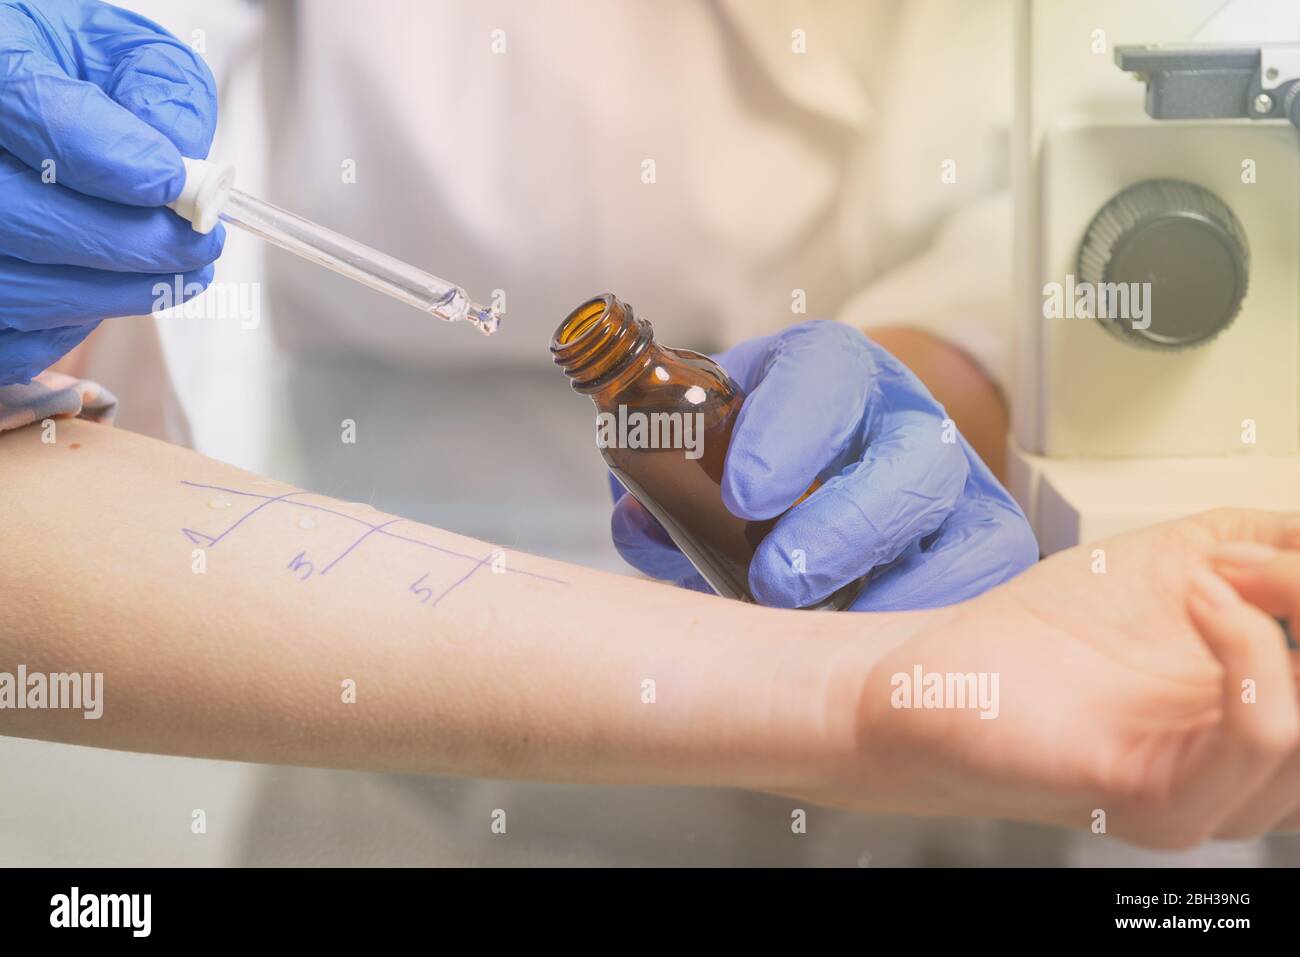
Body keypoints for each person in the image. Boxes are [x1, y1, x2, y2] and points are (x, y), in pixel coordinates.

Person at [1, 0, 1296, 863]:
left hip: (981, 571)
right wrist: (854, 695)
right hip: (411, 726)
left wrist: (952, 366)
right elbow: (43, 510)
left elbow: (1139, 126)